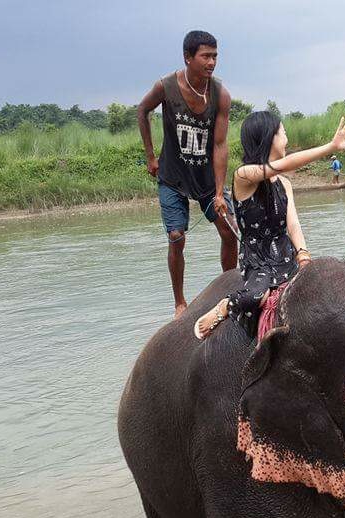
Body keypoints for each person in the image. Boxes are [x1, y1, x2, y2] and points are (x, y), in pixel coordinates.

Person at [194, 113, 345, 340]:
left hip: (286, 256)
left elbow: (292, 224)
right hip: (259, 260)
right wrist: (330, 147)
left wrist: (303, 256)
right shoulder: (244, 176)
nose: (286, 137)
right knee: (257, 296)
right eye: (282, 132)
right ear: (267, 138)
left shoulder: (285, 184)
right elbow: (284, 165)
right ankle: (226, 305)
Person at [138, 30, 239, 318]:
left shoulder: (220, 94)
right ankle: (179, 301)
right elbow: (142, 111)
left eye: (215, 56)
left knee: (229, 230)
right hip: (173, 176)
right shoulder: (166, 86)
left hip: (206, 179)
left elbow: (220, 144)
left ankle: (229, 289)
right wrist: (150, 155)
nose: (212, 62)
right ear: (188, 57)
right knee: (176, 236)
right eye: (206, 56)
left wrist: (220, 193)